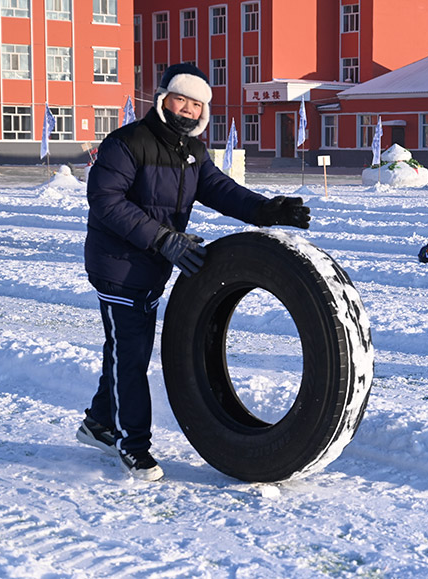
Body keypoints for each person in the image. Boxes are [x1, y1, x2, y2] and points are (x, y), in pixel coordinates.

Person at [76, 63, 311, 481]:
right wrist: (164, 239)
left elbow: (220, 189)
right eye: (179, 99)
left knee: (124, 349)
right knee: (131, 355)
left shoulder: (191, 152)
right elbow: (106, 201)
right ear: (163, 98)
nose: (186, 109)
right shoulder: (127, 143)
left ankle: (99, 423)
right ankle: (132, 445)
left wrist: (265, 209)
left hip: (151, 266)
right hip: (118, 267)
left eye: (196, 103)